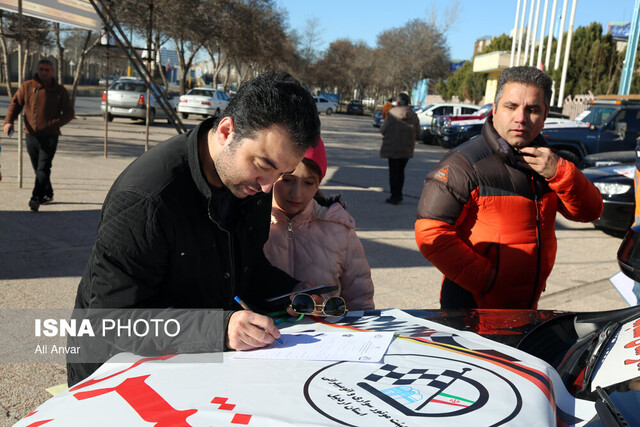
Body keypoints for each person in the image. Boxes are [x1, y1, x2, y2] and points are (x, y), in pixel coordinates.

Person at [67, 71, 321, 386]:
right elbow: (113, 324)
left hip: (197, 364)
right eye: (264, 165)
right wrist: (220, 329)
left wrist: (294, 292)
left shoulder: (250, 183)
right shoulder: (146, 199)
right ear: (227, 131)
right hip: (119, 377)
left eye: (281, 172)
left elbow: (245, 267)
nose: (269, 185)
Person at [414, 66, 603, 310]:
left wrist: (561, 173)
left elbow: (590, 212)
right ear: (495, 109)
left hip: (526, 305)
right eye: (511, 107)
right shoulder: (463, 164)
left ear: (545, 115)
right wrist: (488, 281)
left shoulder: (548, 162)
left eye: (532, 109)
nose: (521, 118)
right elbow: (430, 233)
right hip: (473, 308)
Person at [263, 137, 375, 311]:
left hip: (326, 333)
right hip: (263, 333)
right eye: (287, 179)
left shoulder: (339, 230)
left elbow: (360, 300)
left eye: (308, 183)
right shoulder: (251, 224)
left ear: (318, 184)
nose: (296, 193)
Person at [3, 59, 74, 212]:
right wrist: (9, 121)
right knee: (37, 167)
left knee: (43, 167)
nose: (44, 72)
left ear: (52, 72)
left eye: (47, 70)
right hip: (31, 135)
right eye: (41, 69)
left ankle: (36, 198)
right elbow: (15, 103)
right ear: (37, 70)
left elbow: (69, 113)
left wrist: (53, 124)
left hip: (50, 136)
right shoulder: (27, 86)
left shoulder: (59, 90)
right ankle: (48, 193)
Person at [380, 92, 420, 205]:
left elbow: (383, 130)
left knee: (393, 172)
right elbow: (419, 132)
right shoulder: (413, 115)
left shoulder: (392, 114)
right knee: (401, 172)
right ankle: (399, 194)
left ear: (397, 102)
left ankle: (394, 196)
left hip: (392, 148)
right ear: (408, 102)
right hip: (406, 149)